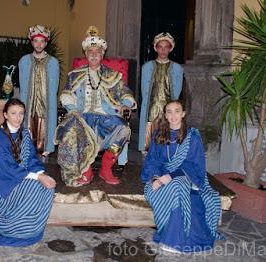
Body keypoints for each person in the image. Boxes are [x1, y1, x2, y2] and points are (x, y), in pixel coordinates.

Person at [55, 26, 137, 187]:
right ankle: (86, 170)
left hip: (106, 117)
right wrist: (72, 109)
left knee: (124, 129)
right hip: (82, 115)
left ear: (102, 55)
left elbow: (125, 92)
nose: (93, 55)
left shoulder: (112, 75)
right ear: (86, 54)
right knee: (73, 127)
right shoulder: (75, 75)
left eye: (97, 52)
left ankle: (106, 168)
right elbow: (66, 94)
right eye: (90, 52)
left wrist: (126, 105)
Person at [141, 100, 221, 253]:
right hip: (162, 175)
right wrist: (155, 178)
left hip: (186, 175)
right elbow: (152, 159)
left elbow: (195, 165)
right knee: (157, 190)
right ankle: (168, 232)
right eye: (169, 112)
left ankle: (174, 241)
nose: (173, 115)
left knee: (177, 187)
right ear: (165, 115)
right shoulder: (158, 135)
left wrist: (170, 176)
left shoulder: (192, 137)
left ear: (183, 113)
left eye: (177, 111)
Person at [0, 98, 56, 247]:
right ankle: (12, 228)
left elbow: (32, 158)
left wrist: (42, 174)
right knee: (35, 186)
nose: (18, 117)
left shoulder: (24, 134)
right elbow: (5, 168)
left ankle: (30, 227)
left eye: (21, 113)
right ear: (5, 115)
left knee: (48, 187)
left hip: (18, 175)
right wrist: (37, 177)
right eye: (13, 113)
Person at [139, 32, 184, 155]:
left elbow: (177, 92)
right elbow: (144, 90)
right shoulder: (147, 67)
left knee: (167, 140)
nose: (163, 50)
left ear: (170, 48)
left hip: (168, 110)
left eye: (166, 47)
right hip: (151, 108)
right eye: (160, 47)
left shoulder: (177, 69)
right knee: (148, 143)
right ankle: (147, 164)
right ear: (156, 48)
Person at [18, 24, 60, 157]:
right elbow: (21, 83)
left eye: (42, 41)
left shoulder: (53, 62)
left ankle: (45, 149)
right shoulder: (24, 61)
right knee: (28, 123)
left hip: (45, 102)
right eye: (36, 41)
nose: (39, 44)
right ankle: (26, 150)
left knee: (44, 125)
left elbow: (54, 87)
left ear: (46, 43)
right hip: (28, 101)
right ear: (32, 42)